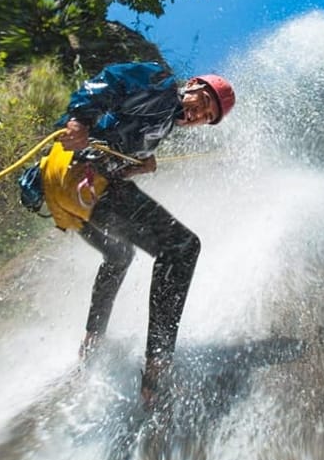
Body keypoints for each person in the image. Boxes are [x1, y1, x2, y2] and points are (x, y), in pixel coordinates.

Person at [32, 60, 235, 409]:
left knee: (119, 255)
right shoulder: (162, 85)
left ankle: (92, 339)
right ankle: (157, 366)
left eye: (206, 117)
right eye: (201, 102)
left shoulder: (162, 123)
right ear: (191, 85)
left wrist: (139, 164)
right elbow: (112, 79)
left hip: (64, 188)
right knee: (182, 248)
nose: (198, 114)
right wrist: (80, 119)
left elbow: (116, 144)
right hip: (81, 175)